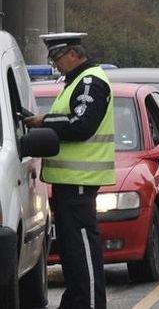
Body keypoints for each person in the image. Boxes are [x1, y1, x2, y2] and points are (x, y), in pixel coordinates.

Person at [25, 32, 115, 309]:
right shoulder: (77, 81)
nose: (56, 65)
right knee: (72, 250)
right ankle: (76, 300)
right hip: (69, 182)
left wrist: (44, 121)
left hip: (80, 180)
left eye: (57, 58)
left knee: (83, 248)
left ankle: (88, 303)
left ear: (73, 53)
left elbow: (81, 126)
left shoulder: (90, 82)